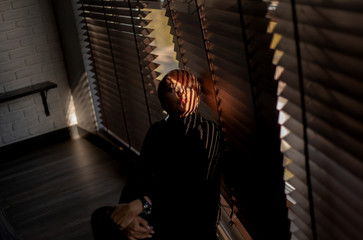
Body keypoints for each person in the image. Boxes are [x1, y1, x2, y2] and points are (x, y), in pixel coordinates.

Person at [91, 69, 223, 240]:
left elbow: (193, 185)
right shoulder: (157, 131)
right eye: (171, 89)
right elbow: (138, 176)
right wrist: (128, 213)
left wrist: (144, 203)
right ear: (164, 104)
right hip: (157, 212)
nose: (180, 92)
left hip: (189, 217)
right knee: (102, 217)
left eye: (187, 88)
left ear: (197, 98)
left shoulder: (207, 130)